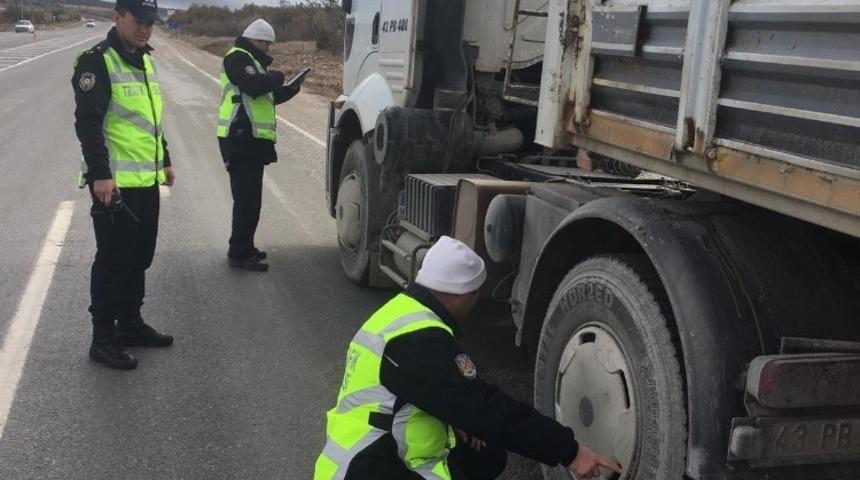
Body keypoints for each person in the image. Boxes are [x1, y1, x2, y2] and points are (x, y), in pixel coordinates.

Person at [314, 236, 622, 479]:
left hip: (363, 455)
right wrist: (570, 452)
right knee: (485, 443)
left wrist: (456, 416)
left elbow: (426, 392)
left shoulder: (401, 314)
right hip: (370, 467)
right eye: (476, 293)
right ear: (461, 294)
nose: (476, 302)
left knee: (486, 454)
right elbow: (489, 409)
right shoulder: (420, 340)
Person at [72, 0, 174, 370]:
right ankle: (102, 339)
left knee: (139, 258)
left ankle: (130, 324)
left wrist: (165, 158)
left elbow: (150, 119)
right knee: (113, 261)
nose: (145, 29)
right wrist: (100, 173)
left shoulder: (145, 60)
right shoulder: (96, 61)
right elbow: (88, 123)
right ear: (117, 18)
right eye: (138, 21)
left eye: (151, 23)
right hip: (112, 184)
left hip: (145, 180)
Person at [217, 19, 303, 272]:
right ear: (258, 40)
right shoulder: (237, 58)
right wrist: (278, 74)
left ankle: (245, 247)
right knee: (245, 200)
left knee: (252, 200)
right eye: (266, 44)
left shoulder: (252, 63)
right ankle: (238, 253)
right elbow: (254, 86)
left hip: (252, 141)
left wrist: (293, 88)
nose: (268, 50)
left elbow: (267, 97)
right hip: (240, 138)